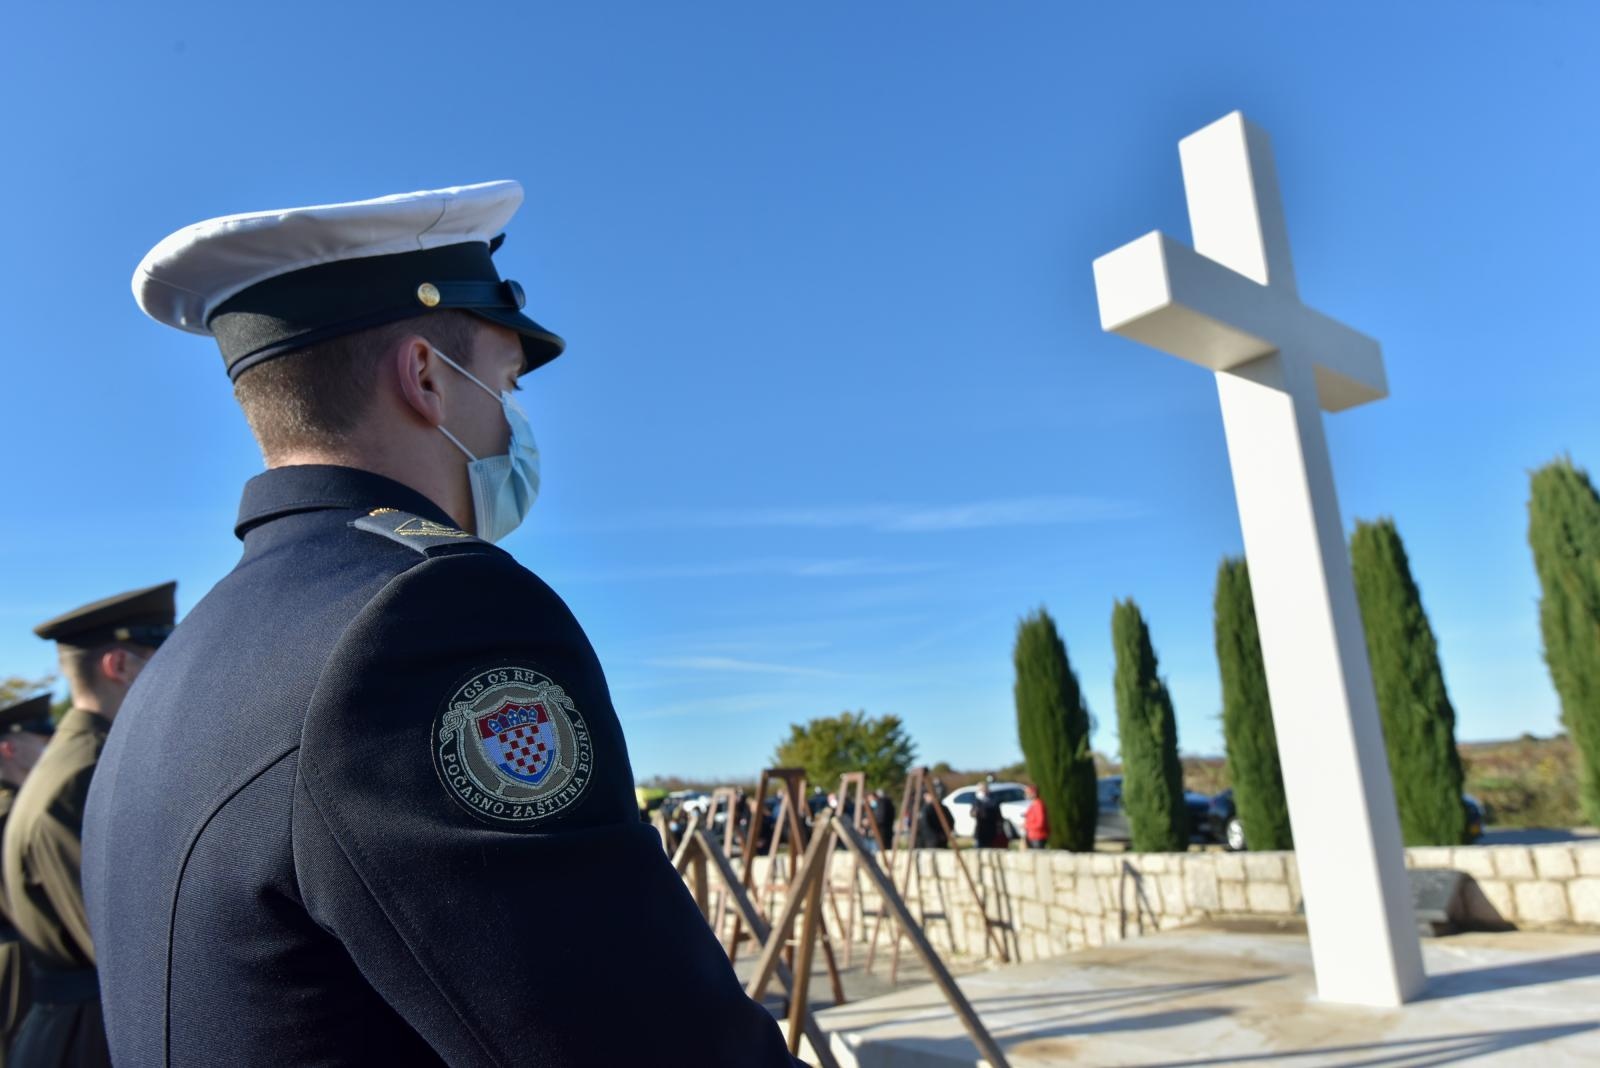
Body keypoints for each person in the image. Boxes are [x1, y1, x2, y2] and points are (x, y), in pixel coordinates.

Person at [82, 182, 798, 1067]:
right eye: (503, 383)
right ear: (425, 376)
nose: (514, 421)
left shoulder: (188, 660)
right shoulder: (428, 620)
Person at [9, 583, 176, 1068]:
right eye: (159, 658)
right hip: (92, 1036)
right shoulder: (87, 773)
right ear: (119, 666)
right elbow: (122, 940)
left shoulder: (81, 761)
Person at [0, 695, 55, 1068]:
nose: (49, 749)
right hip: (19, 959)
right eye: (41, 742)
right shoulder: (10, 813)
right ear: (8, 748)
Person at [970, 782, 1007, 849]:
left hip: (992, 830)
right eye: (981, 789)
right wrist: (975, 812)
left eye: (984, 789)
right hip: (980, 830)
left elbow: (998, 815)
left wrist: (1000, 827)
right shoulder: (976, 801)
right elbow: (972, 813)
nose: (983, 791)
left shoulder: (993, 800)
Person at [1023, 783, 1050, 850]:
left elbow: (1040, 823)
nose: (1026, 794)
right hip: (1032, 836)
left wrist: (1027, 826)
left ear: (1033, 793)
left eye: (1028, 792)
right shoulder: (1033, 804)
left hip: (1038, 836)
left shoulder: (1038, 805)